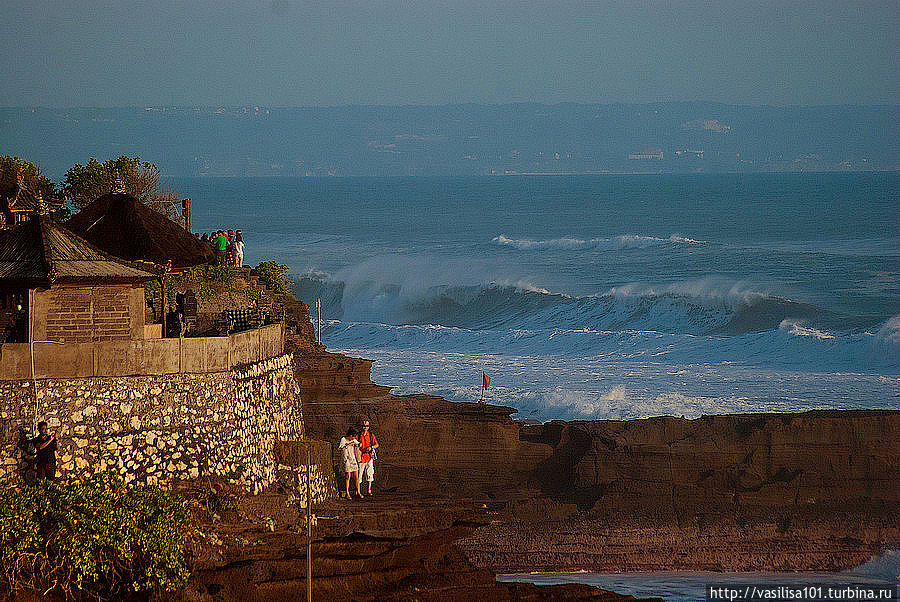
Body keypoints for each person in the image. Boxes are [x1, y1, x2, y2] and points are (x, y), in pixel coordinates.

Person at [357, 419, 379, 496]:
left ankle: (369, 490)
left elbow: (377, 445)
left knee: (370, 473)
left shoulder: (371, 435)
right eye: (364, 426)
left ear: (368, 427)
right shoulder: (358, 435)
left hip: (369, 457)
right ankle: (358, 490)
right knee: (359, 474)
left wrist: (371, 447)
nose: (365, 427)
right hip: (361, 457)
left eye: (366, 426)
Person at [338, 427, 362, 499]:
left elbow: (359, 444)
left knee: (356, 476)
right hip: (347, 460)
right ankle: (347, 493)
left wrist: (357, 444)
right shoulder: (343, 439)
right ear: (350, 435)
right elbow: (341, 448)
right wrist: (348, 444)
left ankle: (358, 492)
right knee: (348, 476)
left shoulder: (354, 440)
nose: (354, 438)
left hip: (353, 459)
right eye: (353, 436)